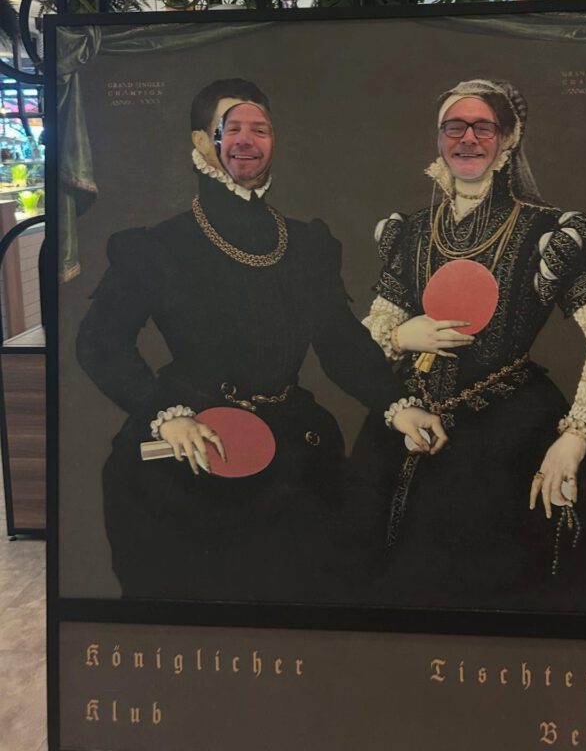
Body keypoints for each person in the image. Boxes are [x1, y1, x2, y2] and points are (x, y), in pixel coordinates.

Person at [77, 78, 411, 603]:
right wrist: (167, 414)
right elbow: (100, 344)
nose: (247, 141)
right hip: (191, 445)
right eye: (231, 128)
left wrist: (396, 405)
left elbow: (340, 341)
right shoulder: (158, 246)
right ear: (200, 142)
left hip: (292, 445)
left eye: (260, 129)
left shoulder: (307, 244)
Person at [353, 78, 586, 614]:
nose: (467, 139)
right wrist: (399, 335)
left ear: (509, 139)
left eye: (482, 127)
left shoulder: (550, 234)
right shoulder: (411, 233)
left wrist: (576, 437)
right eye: (454, 127)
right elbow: (365, 340)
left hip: (508, 439)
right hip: (406, 426)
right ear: (438, 138)